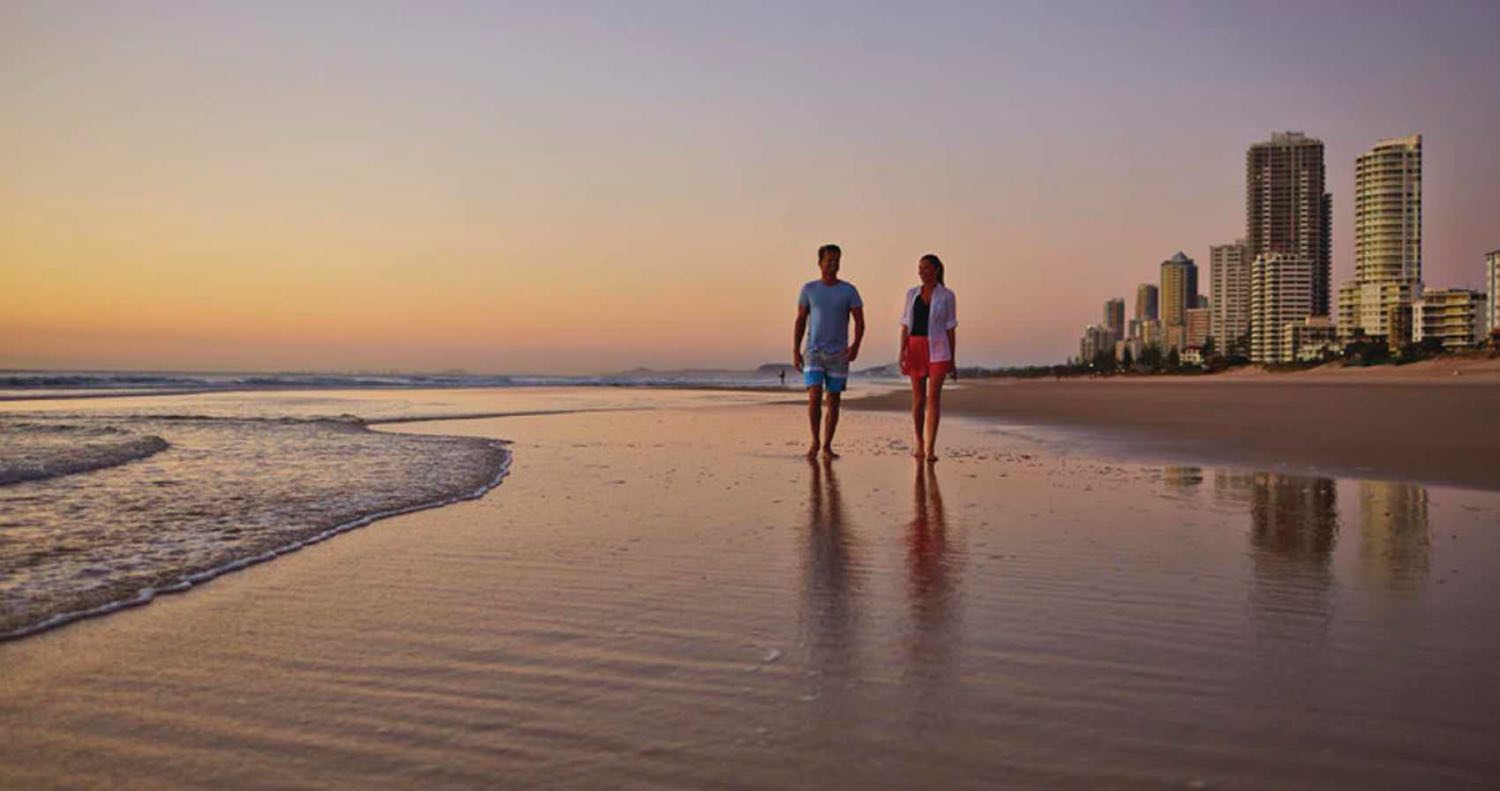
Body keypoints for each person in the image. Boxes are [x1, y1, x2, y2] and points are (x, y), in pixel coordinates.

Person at [794, 243, 865, 459]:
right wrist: (796, 350)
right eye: (829, 260)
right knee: (814, 396)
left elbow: (860, 322)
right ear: (820, 263)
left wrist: (855, 346)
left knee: (833, 400)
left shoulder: (849, 290)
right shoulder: (809, 289)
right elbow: (800, 320)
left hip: (838, 354)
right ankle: (815, 441)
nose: (833, 264)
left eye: (837, 260)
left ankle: (827, 445)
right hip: (814, 351)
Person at [898, 253, 956, 462]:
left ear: (936, 270)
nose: (922, 272)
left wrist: (953, 359)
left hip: (939, 349)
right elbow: (905, 324)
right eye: (919, 268)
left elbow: (950, 328)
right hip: (915, 346)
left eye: (926, 268)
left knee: (934, 398)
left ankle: (931, 447)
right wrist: (902, 350)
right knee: (918, 398)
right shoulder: (911, 294)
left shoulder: (947, 295)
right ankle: (919, 443)